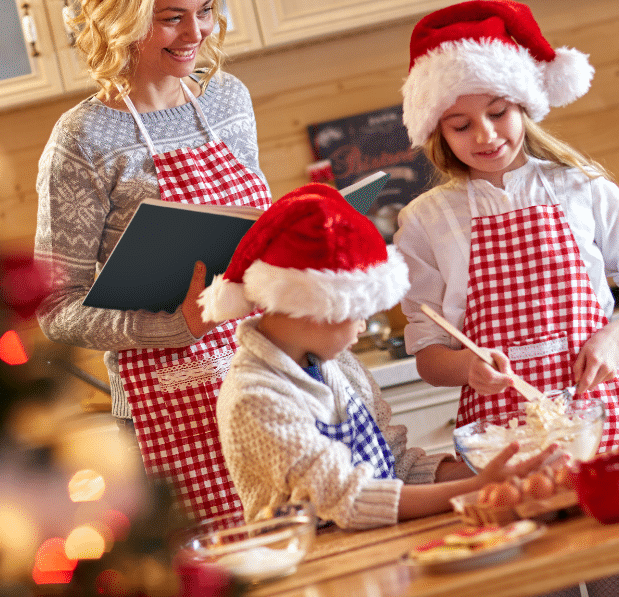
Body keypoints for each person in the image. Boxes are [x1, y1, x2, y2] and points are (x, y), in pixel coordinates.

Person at [395, 0, 619, 595]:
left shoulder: (583, 188)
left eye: (498, 112)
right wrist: (468, 369)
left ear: (523, 103)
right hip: (503, 446)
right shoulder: (427, 221)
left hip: (602, 424)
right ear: (437, 132)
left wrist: (613, 337)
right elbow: (425, 352)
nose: (486, 135)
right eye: (460, 124)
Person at [33, 0, 269, 525]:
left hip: (270, 389)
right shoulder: (82, 139)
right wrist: (173, 326)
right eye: (171, 19)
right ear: (122, 19)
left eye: (205, 12)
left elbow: (256, 234)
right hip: (172, 417)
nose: (195, 35)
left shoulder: (227, 101)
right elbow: (55, 309)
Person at [201, 183, 558, 530]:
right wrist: (476, 487)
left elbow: (396, 465)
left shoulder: (337, 364)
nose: (361, 328)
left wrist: (489, 468)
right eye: (360, 313)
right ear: (317, 305)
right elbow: (350, 500)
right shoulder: (255, 397)